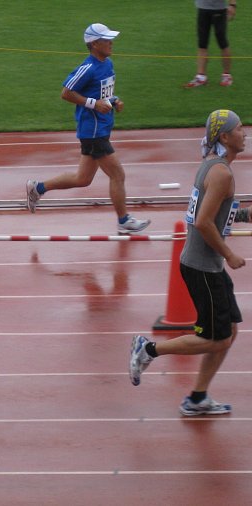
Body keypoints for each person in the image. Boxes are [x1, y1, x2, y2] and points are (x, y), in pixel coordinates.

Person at [129, 109, 247, 416]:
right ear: (225, 137)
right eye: (239, 129)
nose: (245, 133)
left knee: (228, 332)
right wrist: (230, 254)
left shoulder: (212, 165)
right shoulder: (221, 173)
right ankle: (148, 349)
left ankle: (197, 398)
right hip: (204, 267)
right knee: (215, 339)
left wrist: (246, 215)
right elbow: (204, 222)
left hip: (207, 266)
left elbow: (215, 213)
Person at [26, 23, 150, 235]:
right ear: (94, 44)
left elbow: (102, 94)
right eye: (106, 40)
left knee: (82, 179)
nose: (111, 43)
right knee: (118, 175)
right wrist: (93, 104)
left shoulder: (108, 64)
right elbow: (66, 93)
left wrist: (114, 100)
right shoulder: (88, 68)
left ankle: (37, 188)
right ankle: (123, 221)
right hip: (93, 132)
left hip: (101, 128)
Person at [185, 1, 236, 88]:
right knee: (202, 44)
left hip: (219, 9)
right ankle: (201, 77)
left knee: (222, 42)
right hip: (202, 8)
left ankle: (227, 75)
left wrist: (232, 5)